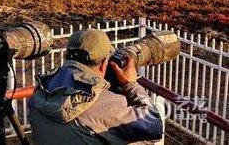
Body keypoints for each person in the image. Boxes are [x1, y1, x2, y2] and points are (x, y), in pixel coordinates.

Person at [28, 28, 163, 144]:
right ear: (105, 63)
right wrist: (130, 84)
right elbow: (154, 126)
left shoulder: (44, 87)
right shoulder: (107, 105)